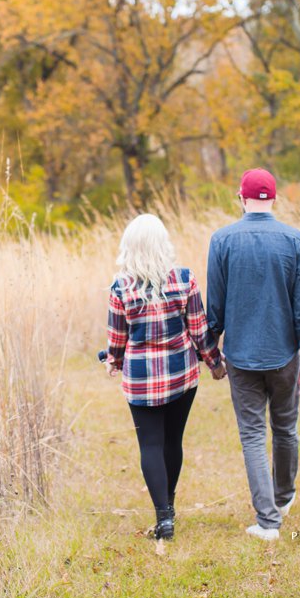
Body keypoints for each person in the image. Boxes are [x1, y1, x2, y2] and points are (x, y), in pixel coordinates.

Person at [206, 168, 300, 542]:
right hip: (285, 353)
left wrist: (213, 352)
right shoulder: (294, 240)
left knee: (253, 435)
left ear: (241, 198)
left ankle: (268, 521)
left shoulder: (222, 240)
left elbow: (215, 306)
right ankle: (282, 499)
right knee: (285, 427)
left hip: (241, 354)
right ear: (275, 200)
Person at [104, 214, 227, 540]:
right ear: (163, 244)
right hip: (181, 376)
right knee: (173, 441)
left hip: (142, 380)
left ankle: (164, 518)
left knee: (150, 444)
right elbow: (199, 331)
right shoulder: (184, 280)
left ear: (129, 246)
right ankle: (168, 507)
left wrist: (113, 361)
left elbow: (117, 340)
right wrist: (214, 362)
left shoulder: (121, 288)